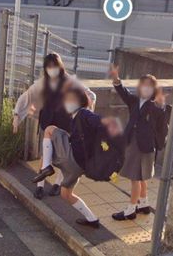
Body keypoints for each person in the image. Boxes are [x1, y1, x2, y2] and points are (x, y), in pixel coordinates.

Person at [32, 87, 122, 228]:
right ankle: (92, 219)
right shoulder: (77, 116)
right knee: (66, 194)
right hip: (79, 167)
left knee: (49, 130)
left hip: (73, 157)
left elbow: (101, 121)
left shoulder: (83, 113)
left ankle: (46, 168)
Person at [13, 53, 96, 200]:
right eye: (49, 67)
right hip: (48, 122)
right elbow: (28, 95)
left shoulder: (69, 81)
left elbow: (90, 95)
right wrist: (16, 115)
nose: (52, 69)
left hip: (66, 123)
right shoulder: (43, 82)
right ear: (45, 68)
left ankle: (58, 184)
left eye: (54, 66)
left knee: (64, 156)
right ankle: (40, 186)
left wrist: (86, 112)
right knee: (46, 155)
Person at [109, 65, 166, 221]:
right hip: (133, 142)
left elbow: (161, 119)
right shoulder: (135, 101)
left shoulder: (154, 106)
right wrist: (116, 79)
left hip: (145, 145)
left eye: (149, 86)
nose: (146, 88)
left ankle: (130, 210)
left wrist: (161, 104)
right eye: (144, 85)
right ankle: (144, 204)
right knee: (140, 177)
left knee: (135, 177)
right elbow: (123, 93)